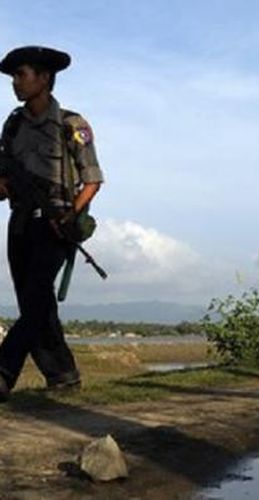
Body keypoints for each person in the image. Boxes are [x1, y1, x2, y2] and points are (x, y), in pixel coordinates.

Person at [0, 46, 104, 402]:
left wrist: (70, 216)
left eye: (22, 74)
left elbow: (92, 180)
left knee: (36, 299)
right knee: (37, 303)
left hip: (56, 224)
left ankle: (3, 371)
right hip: (20, 225)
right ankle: (63, 374)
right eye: (14, 76)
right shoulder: (13, 125)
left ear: (44, 78)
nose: (15, 82)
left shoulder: (72, 125)